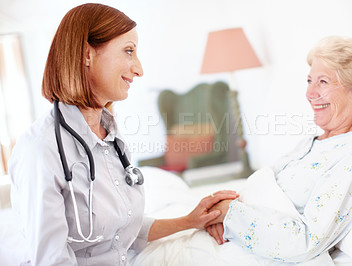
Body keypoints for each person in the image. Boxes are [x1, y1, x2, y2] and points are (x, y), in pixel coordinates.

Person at [8, 3, 238, 265]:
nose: (139, 69)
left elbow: (122, 233)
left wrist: (190, 221)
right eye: (129, 51)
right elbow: (52, 260)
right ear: (86, 54)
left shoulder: (111, 140)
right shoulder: (40, 150)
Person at [205, 36, 352, 263]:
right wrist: (222, 212)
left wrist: (229, 214)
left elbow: (306, 242)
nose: (310, 94)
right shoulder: (318, 140)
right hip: (235, 233)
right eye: (310, 81)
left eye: (323, 82)